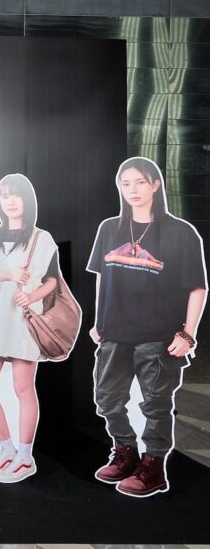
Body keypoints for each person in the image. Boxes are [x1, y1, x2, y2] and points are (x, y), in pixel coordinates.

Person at [88, 157, 206, 497]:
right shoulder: (109, 229)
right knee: (107, 400)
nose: (133, 190)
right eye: (125, 183)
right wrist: (98, 321)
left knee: (155, 404)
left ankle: (154, 467)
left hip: (159, 336)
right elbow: (101, 277)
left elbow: (197, 288)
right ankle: (125, 452)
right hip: (114, 333)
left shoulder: (181, 232)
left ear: (155, 184)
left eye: (140, 182)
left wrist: (188, 333)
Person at [0, 173, 65, 484]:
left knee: (23, 388)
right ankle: (7, 449)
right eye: (4, 195)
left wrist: (32, 296)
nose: (10, 201)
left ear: (27, 200)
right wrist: (7, 274)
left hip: (22, 319)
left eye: (15, 195)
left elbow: (52, 281)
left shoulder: (42, 238)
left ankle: (25, 456)